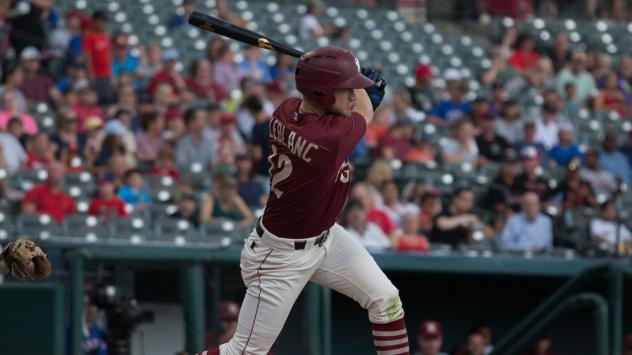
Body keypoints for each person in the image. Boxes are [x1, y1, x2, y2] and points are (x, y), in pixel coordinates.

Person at [195, 47, 410, 355]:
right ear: (320, 93)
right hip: (280, 256)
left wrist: (327, 69)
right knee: (243, 352)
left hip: (327, 237)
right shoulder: (329, 138)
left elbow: (351, 107)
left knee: (386, 300)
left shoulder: (286, 108)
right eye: (347, 89)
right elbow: (363, 112)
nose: (353, 95)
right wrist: (364, 90)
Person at [82, 11, 114, 104]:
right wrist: (90, 72)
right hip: (96, 74)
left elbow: (109, 56)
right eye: (100, 21)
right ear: (94, 21)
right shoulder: (89, 36)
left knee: (107, 97)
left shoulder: (106, 36)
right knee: (97, 98)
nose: (103, 24)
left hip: (106, 74)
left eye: (104, 21)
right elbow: (88, 56)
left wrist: (110, 72)